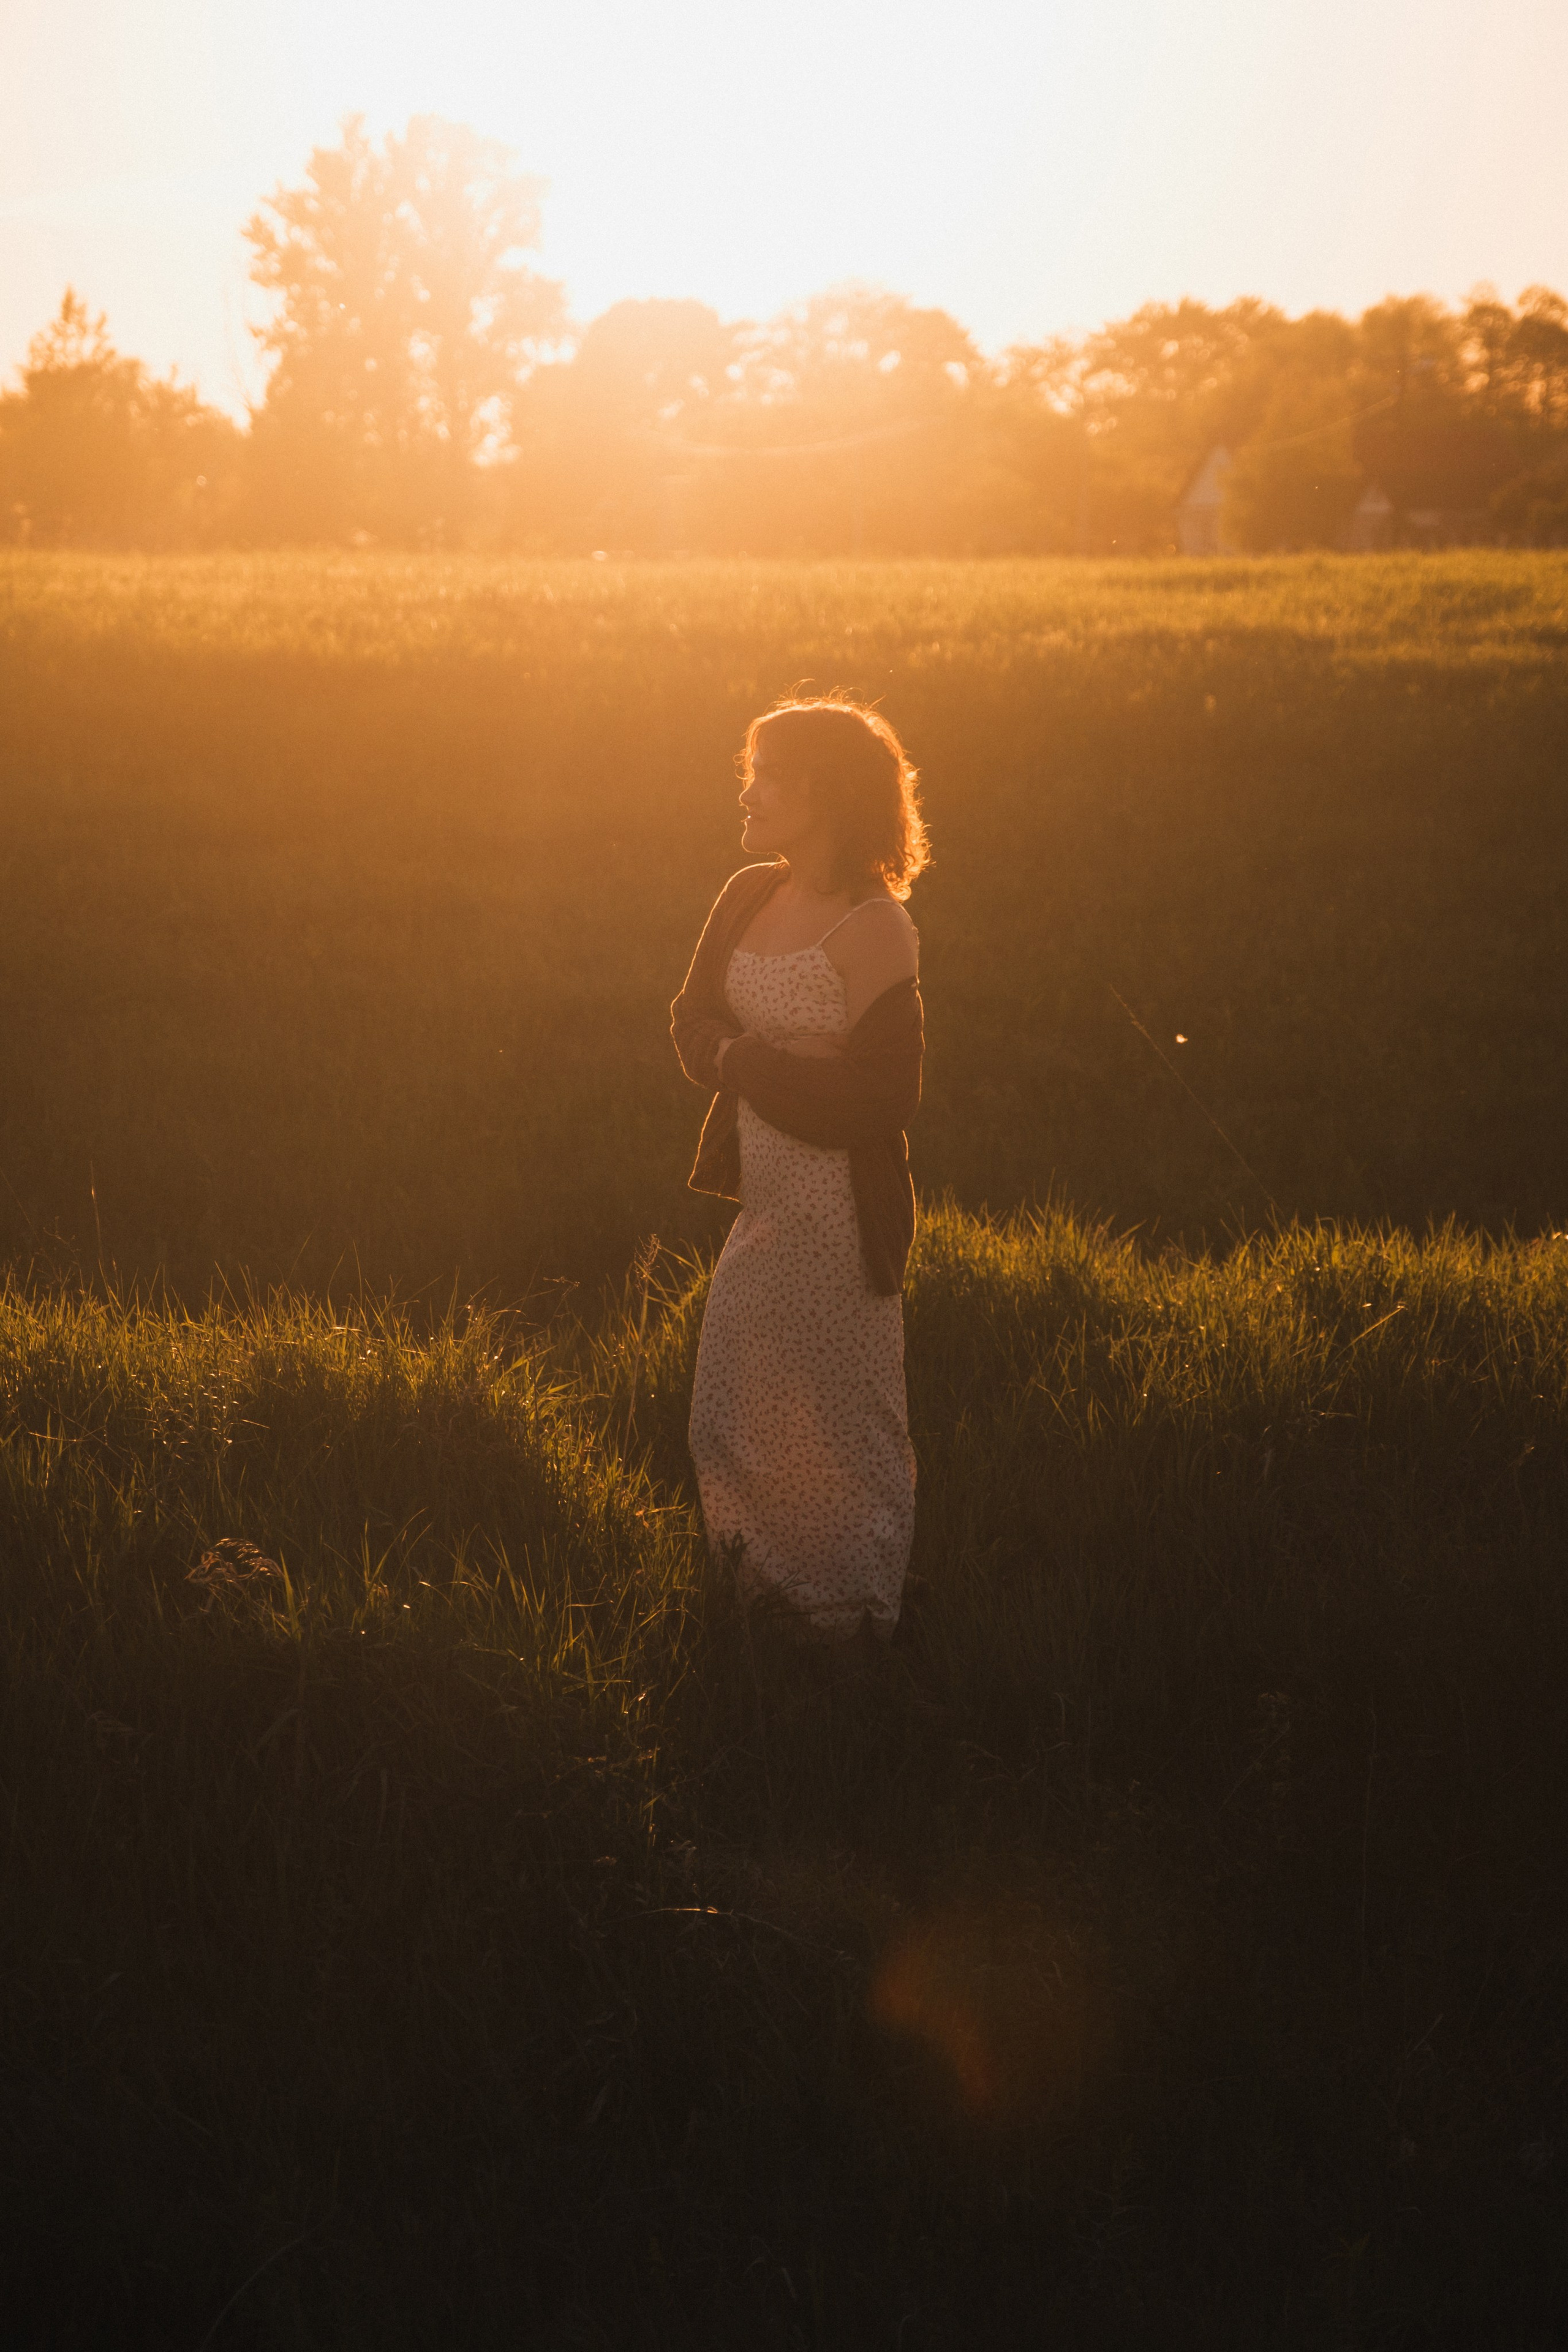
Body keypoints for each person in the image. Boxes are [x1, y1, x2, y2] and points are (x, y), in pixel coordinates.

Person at [669, 695, 929, 1660]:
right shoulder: (747, 894)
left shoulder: (877, 927)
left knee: (841, 1430)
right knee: (730, 1415)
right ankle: (761, 1611)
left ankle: (852, 1631)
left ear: (825, 792)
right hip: (766, 1207)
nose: (748, 792)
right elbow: (690, 1022)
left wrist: (745, 1062)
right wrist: (759, 1063)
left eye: (769, 776)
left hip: (838, 1220)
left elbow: (880, 1099)